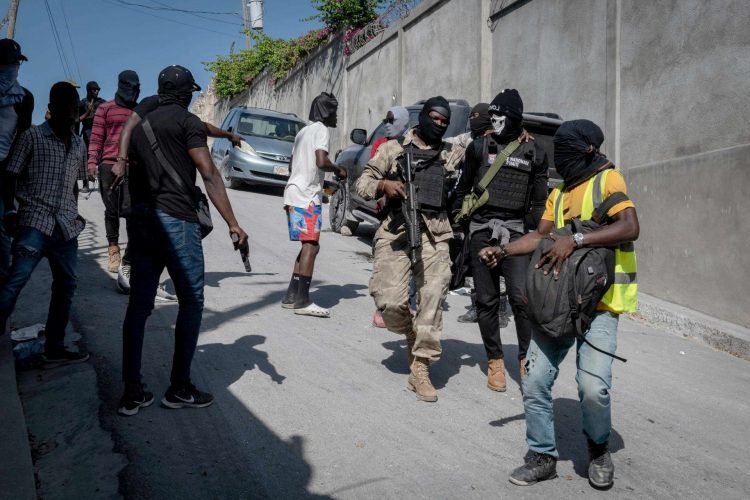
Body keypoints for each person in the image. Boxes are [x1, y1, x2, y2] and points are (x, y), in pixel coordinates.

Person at [478, 119, 639, 488]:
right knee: (533, 378)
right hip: (559, 300)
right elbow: (540, 235)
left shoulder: (608, 180)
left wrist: (578, 239)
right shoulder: (560, 193)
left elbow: (630, 226)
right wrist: (502, 250)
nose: (557, 157)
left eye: (562, 150)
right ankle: (541, 455)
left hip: (601, 303)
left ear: (583, 150)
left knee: (592, 387)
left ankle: (598, 449)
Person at [118, 65, 249, 415]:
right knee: (191, 301)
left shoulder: (142, 120)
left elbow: (199, 130)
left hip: (143, 222)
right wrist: (233, 223)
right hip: (177, 223)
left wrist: (224, 135)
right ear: (187, 93)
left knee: (139, 307)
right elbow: (208, 173)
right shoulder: (187, 123)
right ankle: (179, 387)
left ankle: (132, 390)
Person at [356, 96, 466, 402]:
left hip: (436, 233)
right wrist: (384, 187)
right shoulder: (393, 149)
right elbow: (362, 183)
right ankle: (410, 332)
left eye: (445, 122)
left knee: (433, 295)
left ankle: (420, 368)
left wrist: (511, 134)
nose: (440, 125)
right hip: (396, 229)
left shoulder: (450, 153)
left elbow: (480, 142)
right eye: (435, 119)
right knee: (389, 303)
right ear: (424, 117)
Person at [453, 89, 548, 393]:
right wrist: (462, 227)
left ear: (516, 118)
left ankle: (524, 358)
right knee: (487, 299)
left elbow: (537, 203)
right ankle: (495, 359)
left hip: (517, 232)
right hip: (482, 228)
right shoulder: (479, 148)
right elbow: (461, 190)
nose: (495, 123)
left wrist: (538, 238)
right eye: (492, 117)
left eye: (501, 117)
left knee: (522, 298)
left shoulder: (535, 152)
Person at [0, 82, 89, 366]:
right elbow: (10, 177)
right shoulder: (31, 137)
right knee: (15, 282)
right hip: (34, 222)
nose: (70, 116)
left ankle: (55, 345)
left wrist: (74, 212)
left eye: (74, 111)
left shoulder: (78, 143)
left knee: (66, 286)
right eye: (64, 110)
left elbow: (74, 184)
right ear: (50, 110)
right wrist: (10, 213)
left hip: (65, 227)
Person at [280, 91, 346, 318]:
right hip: (306, 197)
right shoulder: (321, 130)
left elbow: (295, 166)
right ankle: (302, 300)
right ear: (327, 112)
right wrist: (338, 169)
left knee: (307, 245)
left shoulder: (302, 132)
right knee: (312, 246)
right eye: (335, 111)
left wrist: (321, 183)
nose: (336, 116)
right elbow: (321, 161)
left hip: (293, 193)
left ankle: (291, 296)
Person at [88, 70, 140, 277]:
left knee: (132, 213)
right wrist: (92, 162)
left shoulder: (139, 111)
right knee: (112, 211)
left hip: (132, 168)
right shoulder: (105, 108)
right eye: (130, 86)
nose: (133, 91)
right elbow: (96, 137)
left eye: (137, 87)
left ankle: (129, 257)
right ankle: (113, 249)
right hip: (108, 166)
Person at [369, 106, 410, 328]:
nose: (386, 124)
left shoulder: (413, 144)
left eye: (391, 120)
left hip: (411, 214)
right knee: (385, 258)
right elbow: (372, 176)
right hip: (389, 212)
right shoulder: (382, 145)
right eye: (385, 119)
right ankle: (384, 307)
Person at [0, 38, 33, 286]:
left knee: (2, 239)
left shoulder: (23, 98)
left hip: (3, 171)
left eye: (16, 63)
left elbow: (21, 144)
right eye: (8, 63)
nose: (13, 68)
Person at [78, 81, 105, 193]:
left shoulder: (101, 102)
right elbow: (78, 118)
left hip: (100, 132)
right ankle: (85, 184)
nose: (97, 91)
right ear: (89, 90)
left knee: (103, 157)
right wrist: (89, 111)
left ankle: (103, 184)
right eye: (94, 89)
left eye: (98, 89)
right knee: (86, 159)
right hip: (87, 133)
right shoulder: (82, 103)